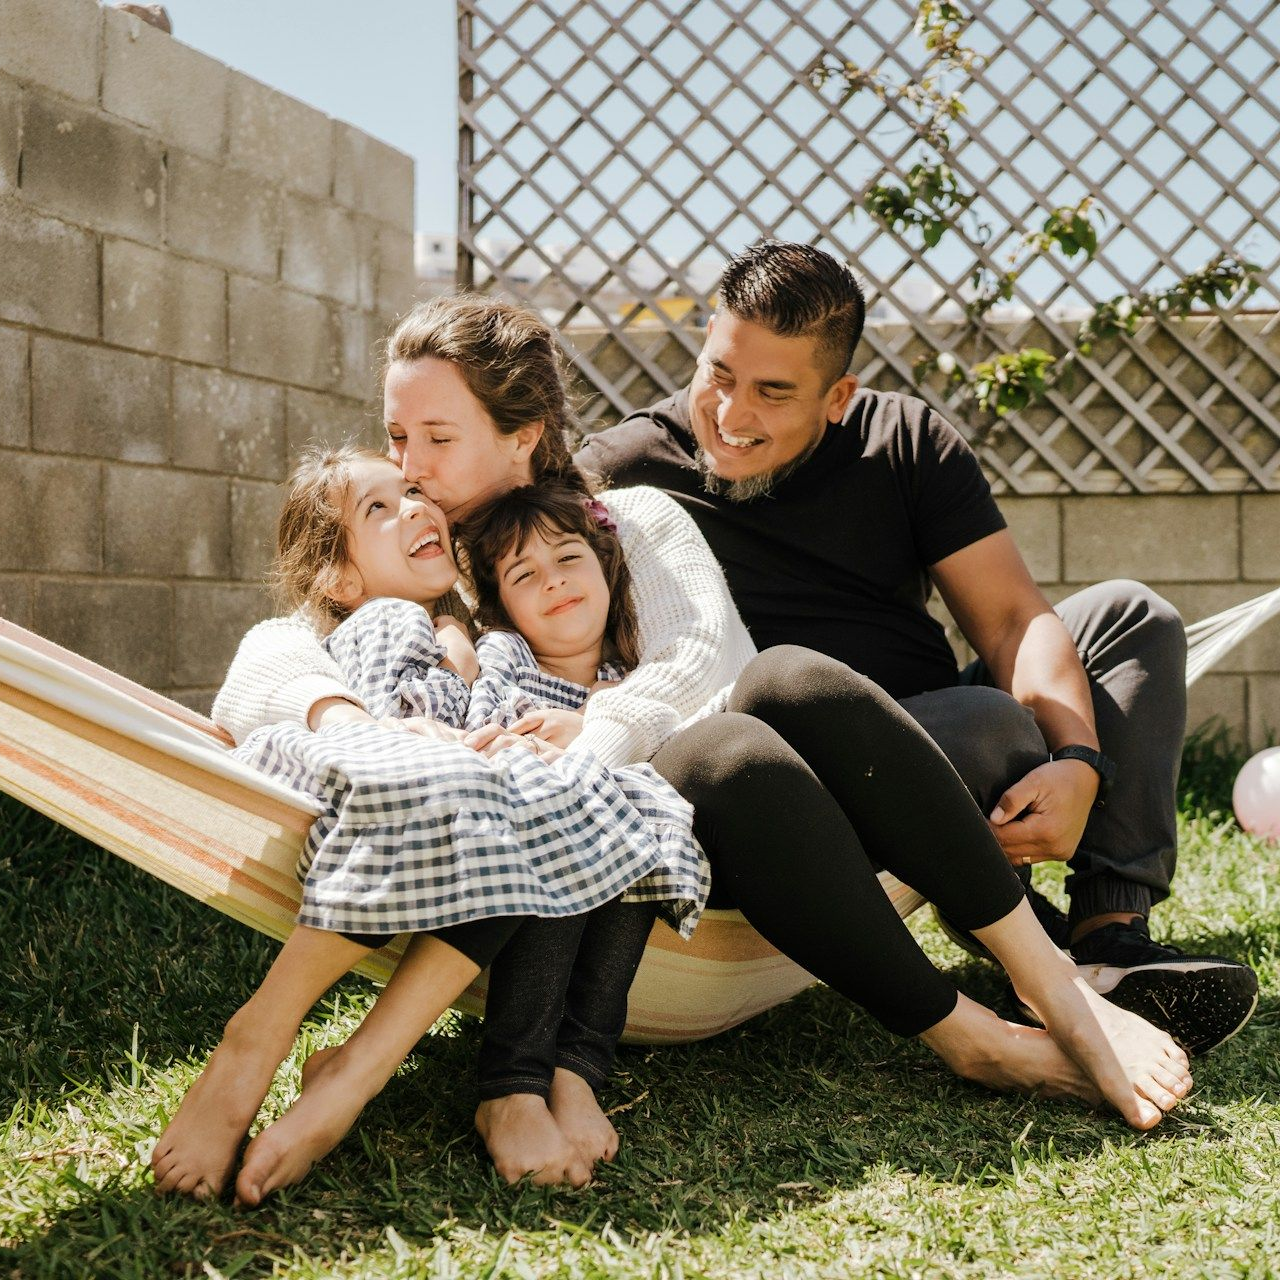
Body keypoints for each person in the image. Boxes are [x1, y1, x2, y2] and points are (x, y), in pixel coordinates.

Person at [212, 293, 1194, 1166]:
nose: (407, 469)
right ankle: (965, 1030)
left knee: (779, 682)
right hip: (679, 839)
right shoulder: (412, 557)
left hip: (736, 805)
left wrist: (590, 737)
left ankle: (1064, 981)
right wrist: (348, 715)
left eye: (435, 439)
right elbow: (271, 651)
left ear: (525, 438)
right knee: (724, 752)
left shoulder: (622, 515)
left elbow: (705, 663)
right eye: (394, 439)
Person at [575, 239, 1259, 1056]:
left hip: (940, 737)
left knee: (1129, 617)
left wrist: (1079, 761)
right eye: (718, 374)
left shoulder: (900, 441)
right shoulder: (622, 474)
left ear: (838, 397)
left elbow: (1012, 619)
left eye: (771, 393)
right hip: (790, 784)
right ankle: (1030, 934)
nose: (729, 414)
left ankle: (1110, 936)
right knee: (991, 723)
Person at [155, 445, 707, 1203]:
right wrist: (418, 715)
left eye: (413, 490)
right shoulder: (382, 621)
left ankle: (361, 1068)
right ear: (342, 580)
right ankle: (258, 1039)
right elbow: (371, 712)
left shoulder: (464, 631)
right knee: (500, 790)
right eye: (379, 507)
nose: (415, 506)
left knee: (551, 795)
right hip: (376, 782)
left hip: (449, 805)